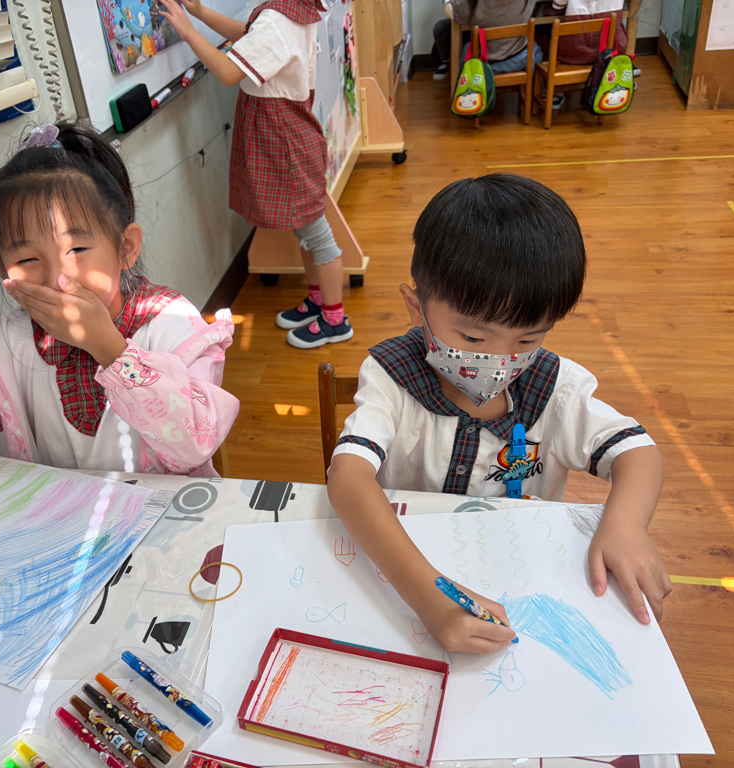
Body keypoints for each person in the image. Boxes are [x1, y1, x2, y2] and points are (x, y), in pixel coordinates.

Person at [326, 174, 671, 654]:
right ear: (415, 308)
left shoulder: (554, 388)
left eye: (528, 338)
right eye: (472, 338)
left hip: (519, 574)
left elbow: (637, 452)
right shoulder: (392, 378)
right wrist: (429, 597)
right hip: (403, 567)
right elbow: (348, 478)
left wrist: (627, 525)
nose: (501, 358)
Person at [0, 122, 240, 489]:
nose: (57, 277)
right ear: (1, 267)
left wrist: (108, 347)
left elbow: (194, 443)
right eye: (28, 259)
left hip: (167, 515)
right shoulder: (8, 344)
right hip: (64, 516)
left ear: (125, 247)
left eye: (77, 249)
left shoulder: (173, 324)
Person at [159, 0, 354, 349]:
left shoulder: (278, 20)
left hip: (285, 143)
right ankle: (318, 300)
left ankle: (335, 320)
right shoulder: (289, 12)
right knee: (305, 229)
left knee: (316, 234)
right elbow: (247, 33)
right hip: (286, 136)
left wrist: (188, 32)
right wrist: (199, 13)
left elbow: (228, 72)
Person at [447, 0, 542, 75]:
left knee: (466, 49)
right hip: (518, 59)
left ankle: (470, 89)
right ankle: (532, 90)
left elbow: (454, 14)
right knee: (534, 48)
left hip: (481, 62)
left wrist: (447, 3)